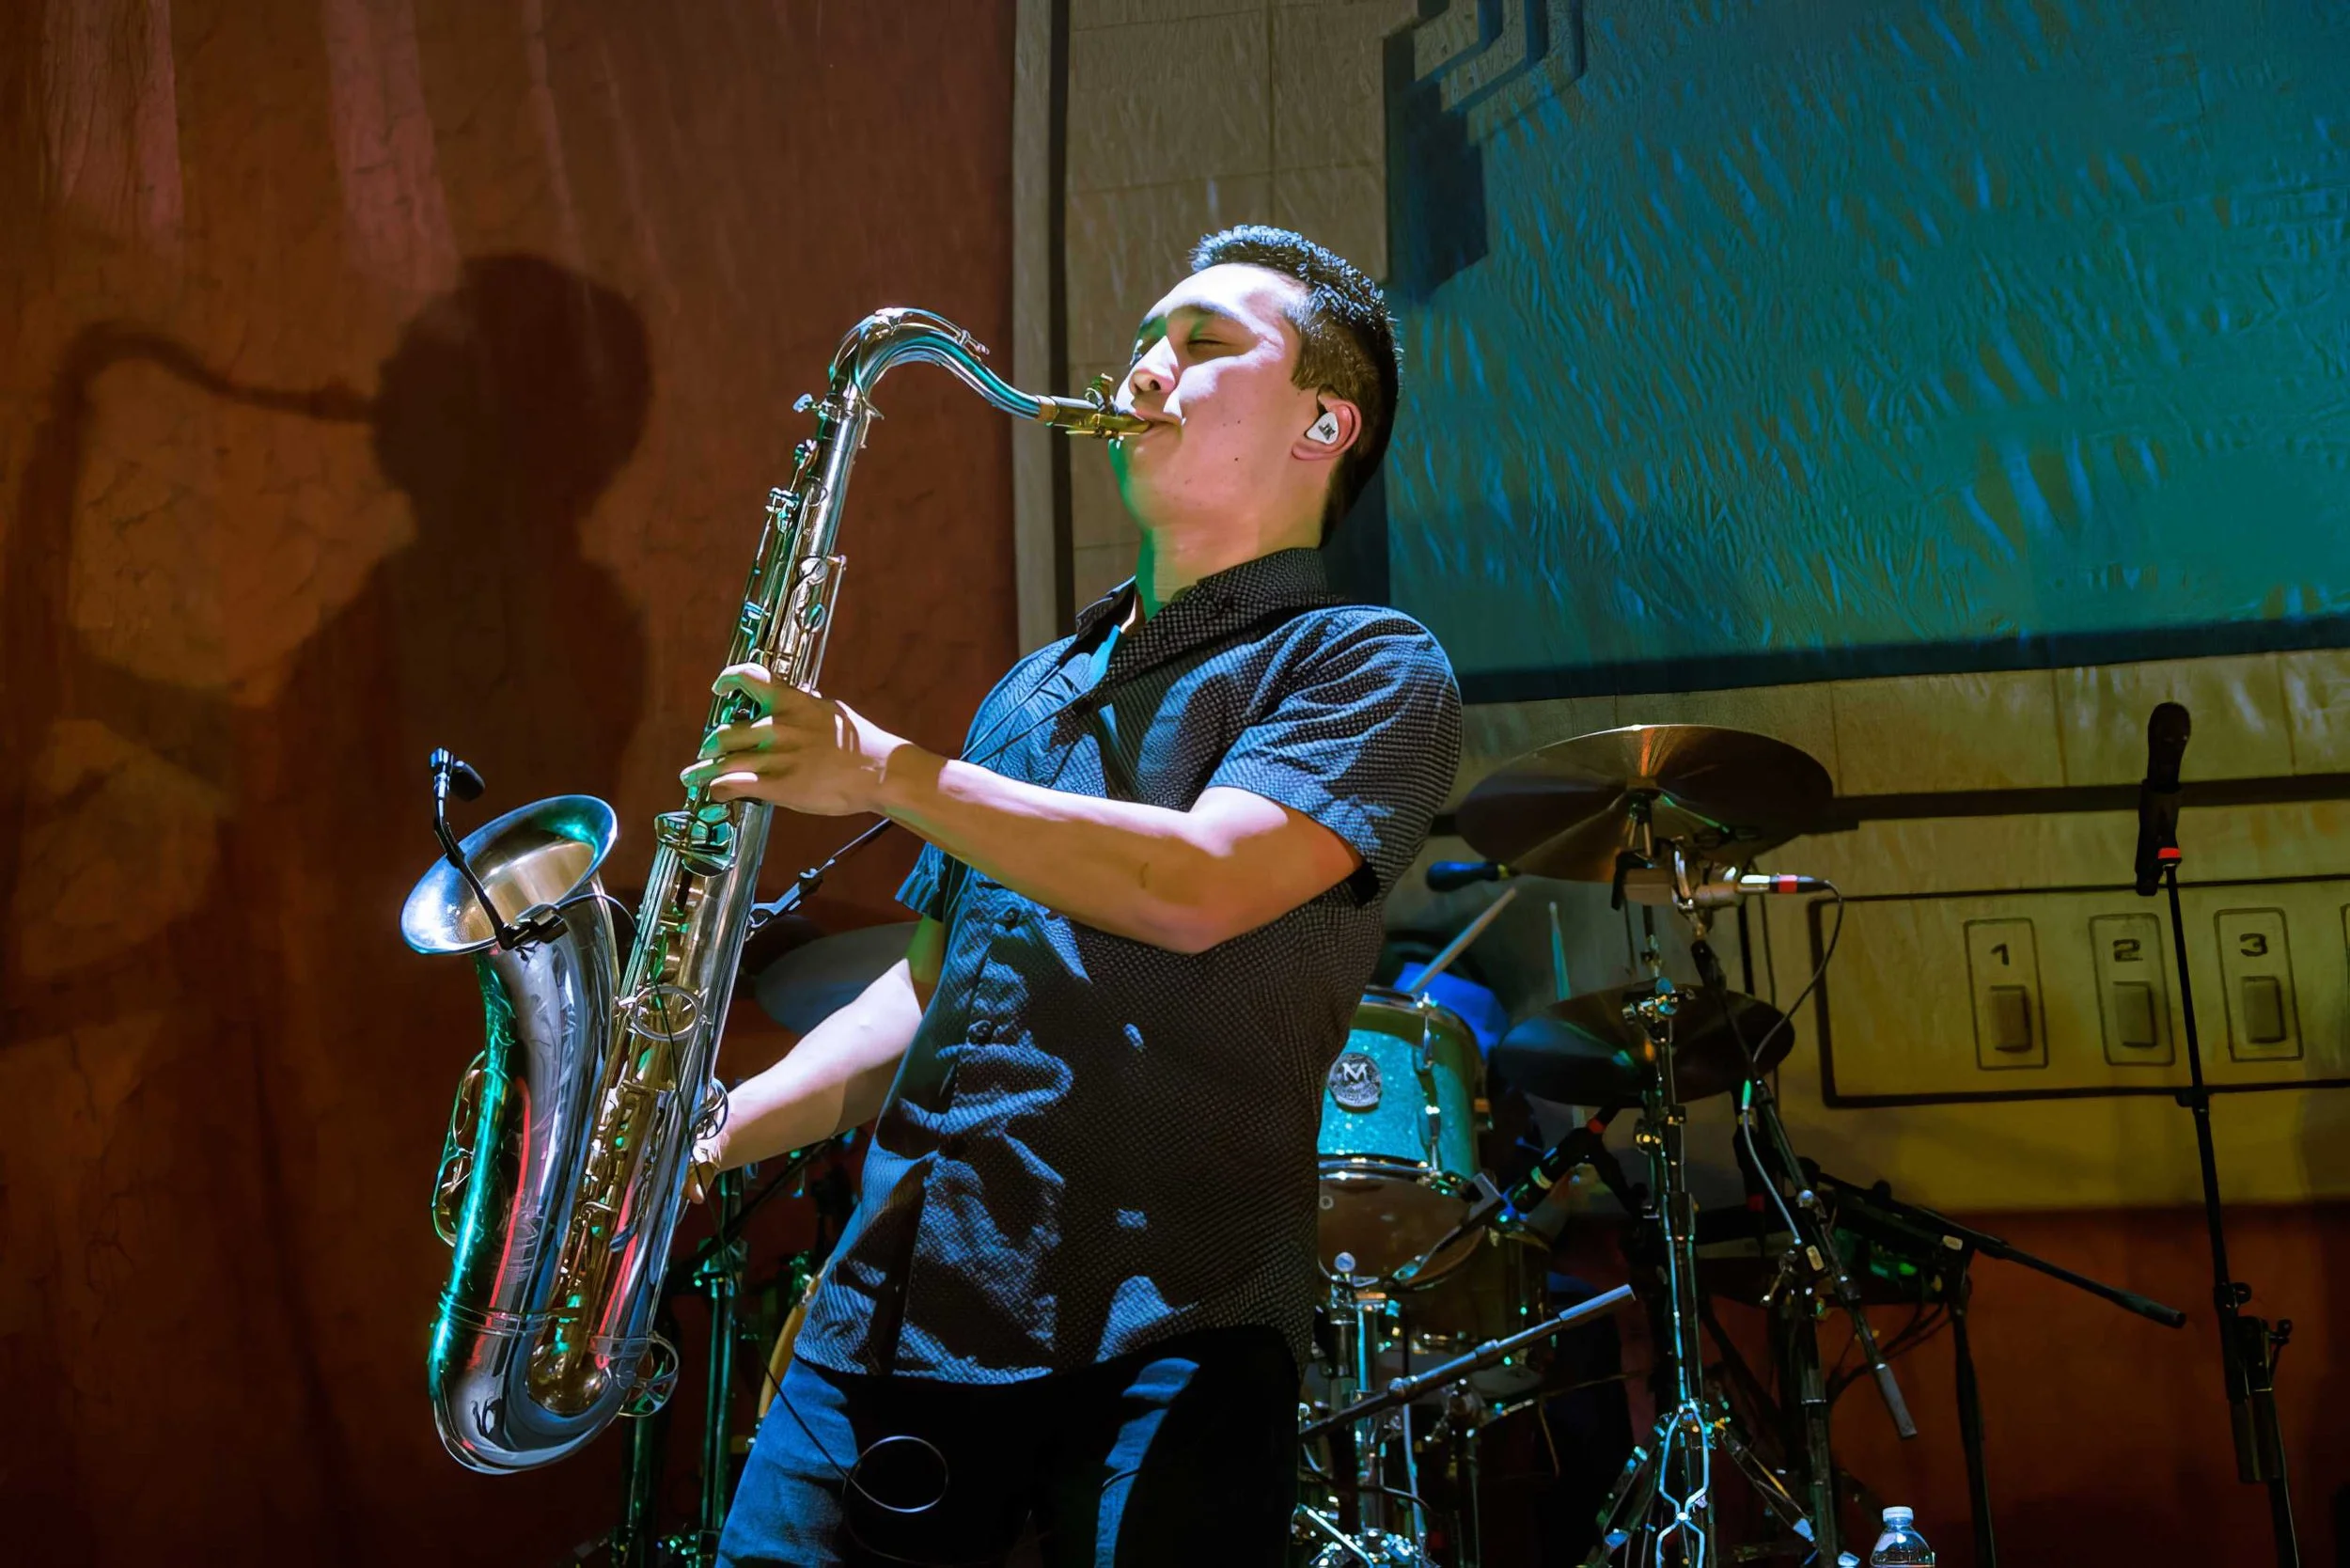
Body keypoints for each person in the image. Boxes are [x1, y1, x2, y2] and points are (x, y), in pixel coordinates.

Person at [682, 226, 1462, 1567]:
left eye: (1203, 343)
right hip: (899, 1302)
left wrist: (880, 772)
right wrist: (704, 1137)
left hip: (1174, 1326)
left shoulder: (1366, 664)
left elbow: (1200, 884)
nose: (1144, 367)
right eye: (1145, 338)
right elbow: (937, 985)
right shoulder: (1032, 690)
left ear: (1324, 424)